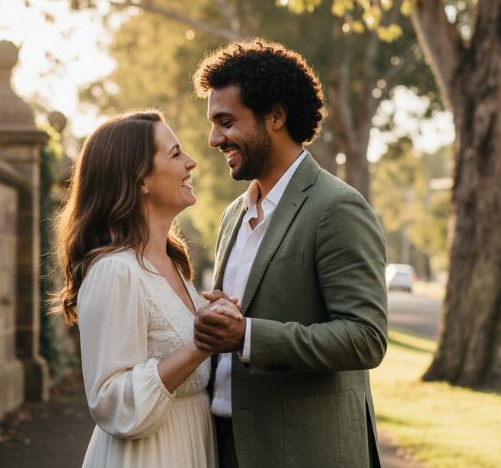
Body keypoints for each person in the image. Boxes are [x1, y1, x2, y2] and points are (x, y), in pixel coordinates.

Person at [191, 39, 389, 468]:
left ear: (276, 116)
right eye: (212, 123)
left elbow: (365, 338)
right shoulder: (233, 215)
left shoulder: (336, 207)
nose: (213, 138)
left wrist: (246, 336)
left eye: (226, 122)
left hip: (304, 452)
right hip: (226, 446)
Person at [54, 111, 237, 468]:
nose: (191, 162)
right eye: (175, 154)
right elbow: (110, 401)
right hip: (147, 456)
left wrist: (220, 320)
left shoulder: (175, 264)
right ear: (140, 180)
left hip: (194, 446)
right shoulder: (114, 271)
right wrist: (201, 345)